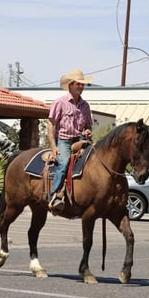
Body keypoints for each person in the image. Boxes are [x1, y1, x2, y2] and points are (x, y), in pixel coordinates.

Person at [47, 69, 94, 212]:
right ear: (70, 85)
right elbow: (51, 125)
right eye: (78, 84)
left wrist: (87, 131)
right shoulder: (60, 102)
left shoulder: (85, 106)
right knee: (64, 163)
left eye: (82, 84)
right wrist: (54, 147)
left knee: (95, 161)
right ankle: (54, 196)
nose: (81, 87)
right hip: (64, 141)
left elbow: (88, 126)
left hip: (80, 140)